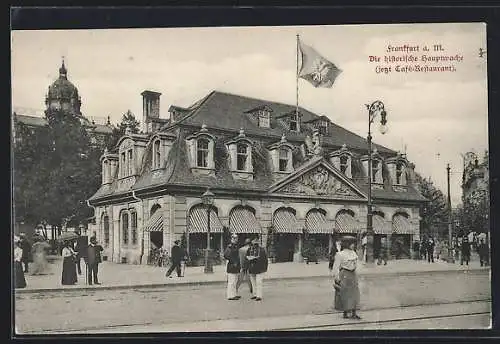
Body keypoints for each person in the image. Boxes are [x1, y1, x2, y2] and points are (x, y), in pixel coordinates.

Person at [332, 236, 361, 320]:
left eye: (354, 244)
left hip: (353, 274)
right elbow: (336, 267)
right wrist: (336, 277)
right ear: (347, 244)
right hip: (344, 274)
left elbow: (356, 264)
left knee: (354, 293)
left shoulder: (353, 253)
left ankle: (354, 312)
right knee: (345, 293)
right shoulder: (340, 254)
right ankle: (345, 313)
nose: (353, 245)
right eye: (352, 244)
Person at [224, 234, 241, 300]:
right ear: (232, 239)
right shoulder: (230, 247)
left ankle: (234, 294)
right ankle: (230, 295)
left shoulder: (235, 246)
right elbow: (226, 255)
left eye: (236, 238)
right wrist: (233, 261)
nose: (236, 239)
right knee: (231, 281)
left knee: (235, 281)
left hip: (235, 266)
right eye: (234, 238)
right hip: (232, 266)